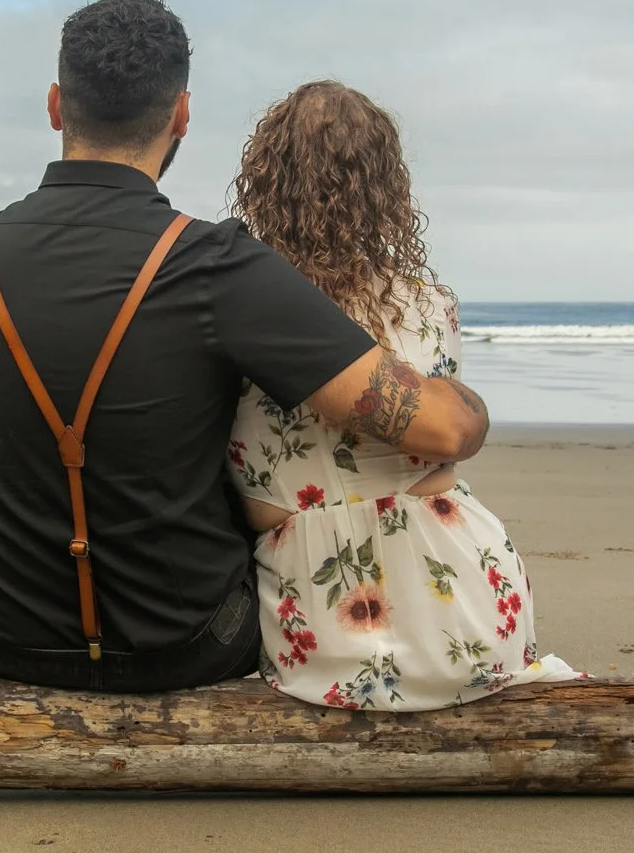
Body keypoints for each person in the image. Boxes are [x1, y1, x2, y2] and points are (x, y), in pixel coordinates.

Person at [0, 0, 490, 693]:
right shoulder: (214, 263)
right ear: (181, 115)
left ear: (56, 104)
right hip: (185, 644)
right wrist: (468, 402)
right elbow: (440, 427)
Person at [228, 81, 580, 709]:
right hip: (463, 603)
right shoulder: (429, 304)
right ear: (386, 186)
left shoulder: (234, 307)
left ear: (264, 182)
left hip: (314, 610)